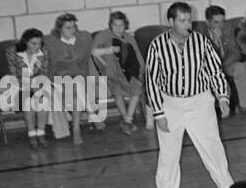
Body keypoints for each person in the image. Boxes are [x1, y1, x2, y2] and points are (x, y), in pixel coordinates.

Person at [145, 2, 236, 188]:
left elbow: (215, 70)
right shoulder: (157, 45)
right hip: (171, 105)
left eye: (189, 20)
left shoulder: (201, 41)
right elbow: (151, 81)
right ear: (171, 22)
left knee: (212, 147)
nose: (188, 24)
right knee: (168, 154)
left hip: (200, 102)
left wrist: (222, 97)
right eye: (183, 21)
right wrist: (158, 113)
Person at [44, 13, 101, 142]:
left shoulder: (83, 39)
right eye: (67, 28)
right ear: (59, 29)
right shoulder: (51, 42)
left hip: (80, 78)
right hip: (60, 80)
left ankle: (76, 129)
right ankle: (91, 113)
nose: (72, 30)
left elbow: (88, 59)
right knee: (75, 83)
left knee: (76, 92)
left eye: (73, 27)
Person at [91, 11, 146, 136]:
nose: (118, 28)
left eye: (121, 25)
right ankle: (128, 121)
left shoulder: (129, 37)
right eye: (115, 25)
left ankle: (127, 119)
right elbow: (94, 52)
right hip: (112, 72)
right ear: (110, 25)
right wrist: (109, 50)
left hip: (130, 72)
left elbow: (137, 56)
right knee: (117, 93)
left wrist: (142, 70)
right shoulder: (103, 35)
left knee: (137, 91)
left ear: (125, 24)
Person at [8, 28, 63, 149]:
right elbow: (14, 75)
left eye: (40, 43)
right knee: (29, 102)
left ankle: (41, 132)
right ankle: (32, 134)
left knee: (43, 100)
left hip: (38, 84)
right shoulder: (13, 52)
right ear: (25, 42)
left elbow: (44, 73)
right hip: (19, 86)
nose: (37, 46)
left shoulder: (44, 52)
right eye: (34, 43)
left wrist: (36, 85)